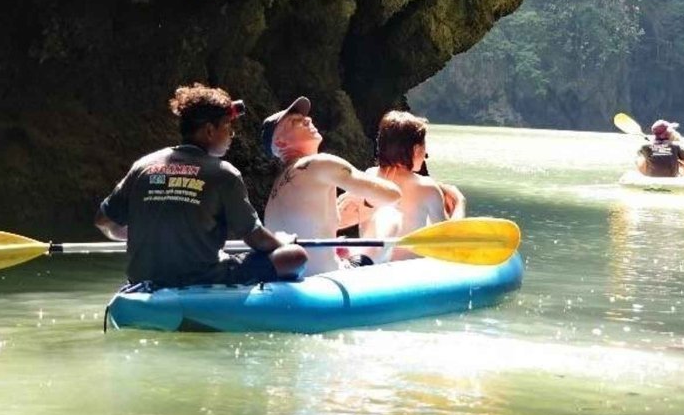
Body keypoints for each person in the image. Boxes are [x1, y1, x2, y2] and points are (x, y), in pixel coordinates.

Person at [95, 83, 307, 289]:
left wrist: (147, 233)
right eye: (227, 127)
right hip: (202, 278)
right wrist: (283, 242)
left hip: (143, 278)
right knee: (294, 257)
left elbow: (104, 221)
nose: (231, 136)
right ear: (208, 131)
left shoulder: (143, 166)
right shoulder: (224, 174)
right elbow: (255, 238)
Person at [260, 96, 402, 275]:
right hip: (328, 278)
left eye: (305, 117)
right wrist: (370, 195)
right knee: (390, 215)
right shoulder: (320, 163)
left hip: (292, 276)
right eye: (295, 121)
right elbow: (393, 195)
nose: (308, 119)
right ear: (281, 143)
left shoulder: (278, 187)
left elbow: (309, 225)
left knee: (347, 248)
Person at [348, 111, 465, 262]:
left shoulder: (368, 176)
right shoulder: (427, 187)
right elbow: (448, 241)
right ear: (416, 150)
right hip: (408, 272)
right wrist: (459, 201)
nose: (426, 154)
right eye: (424, 147)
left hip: (370, 263)